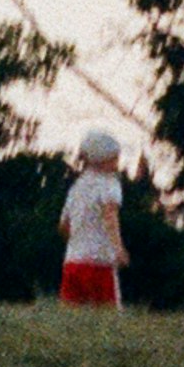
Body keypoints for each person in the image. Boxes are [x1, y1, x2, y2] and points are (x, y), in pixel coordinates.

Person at [57, 129, 128, 310]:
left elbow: (64, 225)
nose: (117, 163)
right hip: (100, 262)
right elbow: (110, 216)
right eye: (114, 158)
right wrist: (118, 248)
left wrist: (77, 243)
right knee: (108, 320)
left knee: (70, 319)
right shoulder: (110, 185)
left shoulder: (77, 187)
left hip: (72, 263)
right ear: (104, 159)